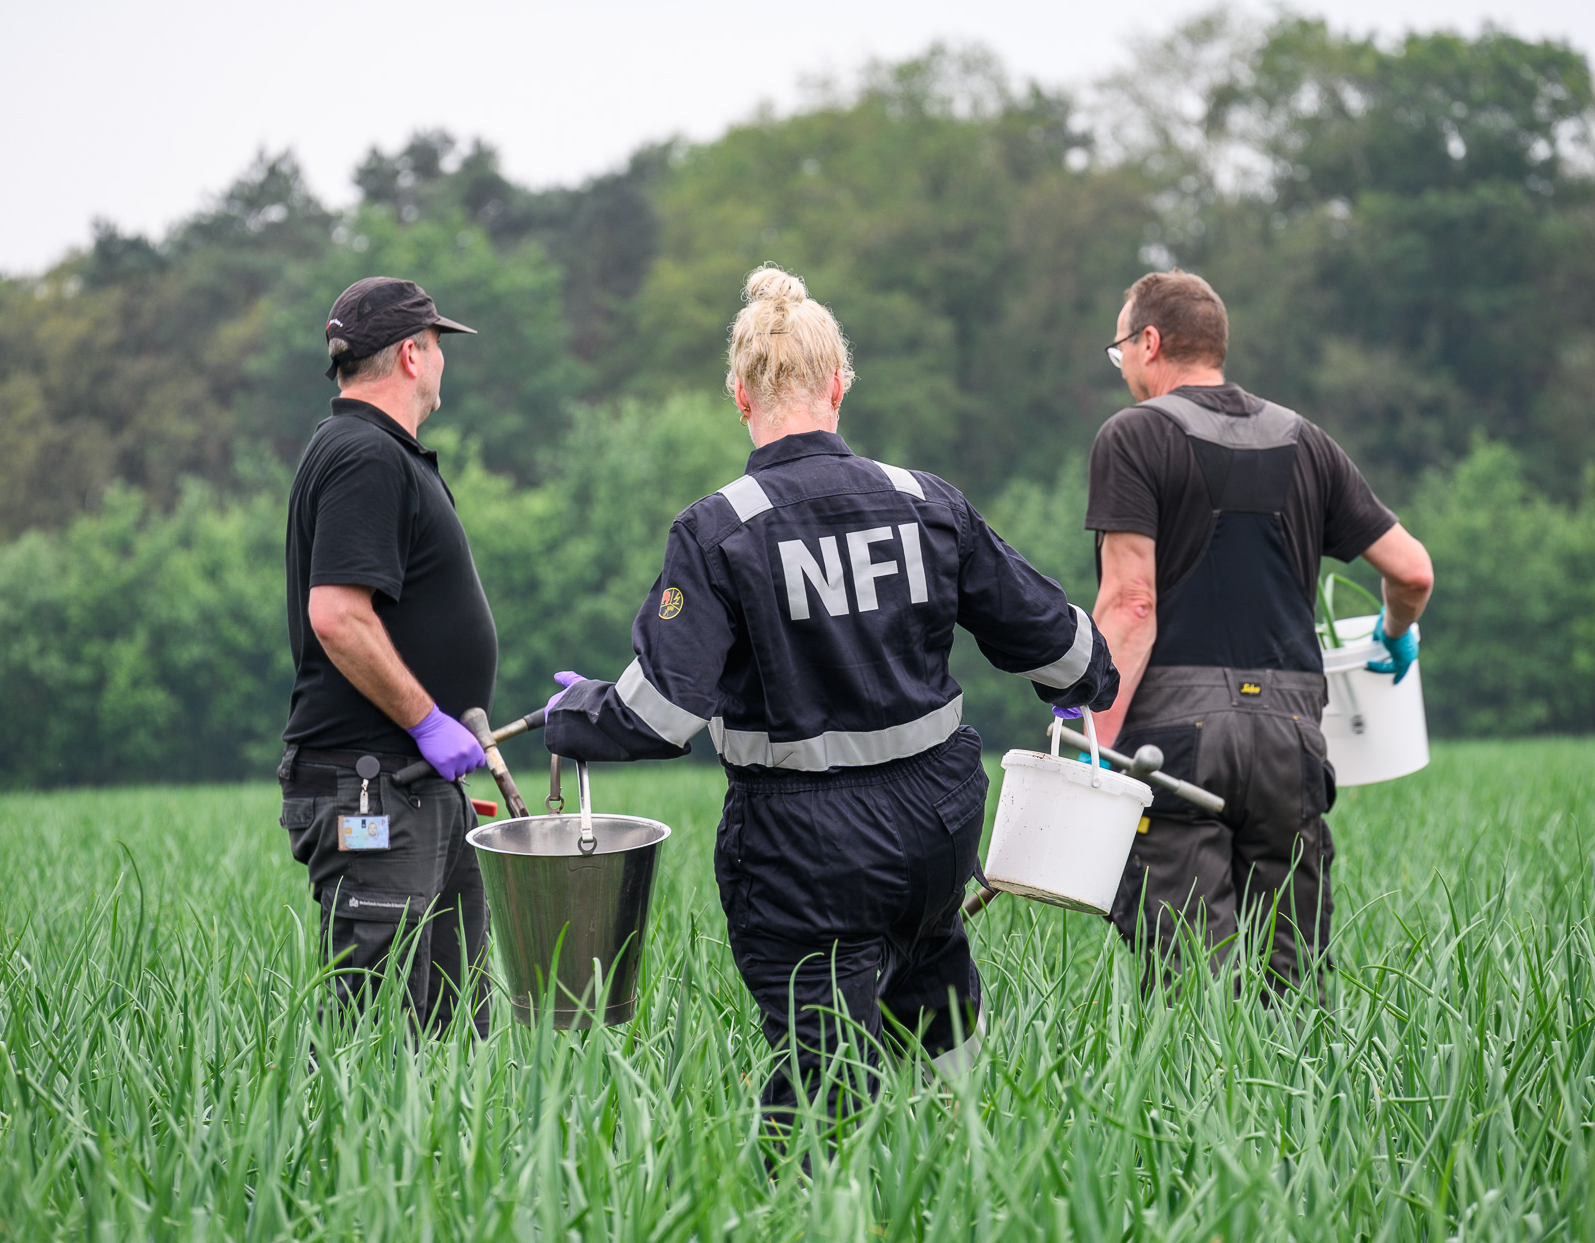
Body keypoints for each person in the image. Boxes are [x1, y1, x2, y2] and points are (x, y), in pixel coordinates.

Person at [546, 266, 1118, 1121]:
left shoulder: (718, 529)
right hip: (938, 834)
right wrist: (1090, 681)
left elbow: (661, 716)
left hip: (806, 849)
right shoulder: (928, 502)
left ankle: (818, 1196)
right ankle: (958, 1174)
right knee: (936, 1002)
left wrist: (575, 714)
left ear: (741, 394)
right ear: (839, 384)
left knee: (823, 1083)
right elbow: (1066, 654)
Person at [1085, 270, 1433, 996]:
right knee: (1293, 986)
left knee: (1188, 995)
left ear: (1149, 342)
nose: (1121, 367)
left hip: (1175, 742)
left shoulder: (1134, 437)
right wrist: (1394, 635)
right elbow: (1412, 571)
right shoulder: (1306, 440)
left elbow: (1130, 606)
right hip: (1292, 740)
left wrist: (1098, 754)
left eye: (1119, 349)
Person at [275, 276, 496, 1036]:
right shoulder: (364, 454)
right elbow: (337, 616)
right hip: (372, 791)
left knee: (458, 1029)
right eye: (437, 346)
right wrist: (430, 720)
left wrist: (440, 759)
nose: (441, 363)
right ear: (411, 354)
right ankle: (326, 1158)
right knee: (378, 1036)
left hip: (409, 783)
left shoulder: (371, 451)